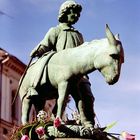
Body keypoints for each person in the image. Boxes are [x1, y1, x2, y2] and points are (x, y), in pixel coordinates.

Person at [30, 0, 95, 127]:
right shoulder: (56, 31)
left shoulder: (78, 35)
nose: (76, 16)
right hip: (61, 70)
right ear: (65, 13)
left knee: (87, 96)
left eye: (78, 14)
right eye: (74, 13)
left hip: (79, 71)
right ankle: (57, 118)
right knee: (63, 97)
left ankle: (88, 123)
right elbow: (45, 44)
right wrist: (37, 50)